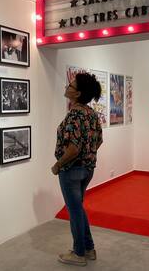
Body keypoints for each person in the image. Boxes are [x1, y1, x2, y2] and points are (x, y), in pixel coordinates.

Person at [51, 72, 103, 266]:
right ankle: (89, 249)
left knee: (74, 211)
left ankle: (79, 253)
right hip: (88, 169)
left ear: (77, 93)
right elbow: (99, 140)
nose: (67, 87)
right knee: (78, 209)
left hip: (71, 170)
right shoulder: (91, 113)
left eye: (70, 86)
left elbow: (73, 148)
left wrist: (58, 165)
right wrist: (88, 156)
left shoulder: (74, 114)